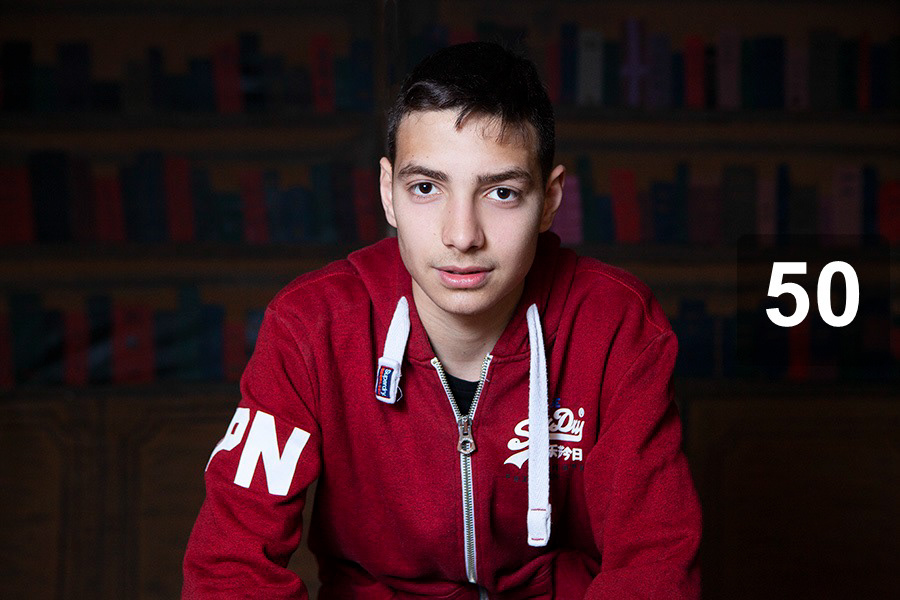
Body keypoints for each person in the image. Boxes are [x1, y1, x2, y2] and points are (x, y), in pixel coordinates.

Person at [183, 41, 702, 598]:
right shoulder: (312, 327)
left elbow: (654, 565)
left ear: (550, 200)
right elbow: (230, 566)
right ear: (388, 193)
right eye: (426, 188)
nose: (462, 235)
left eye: (501, 192)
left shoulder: (617, 326)